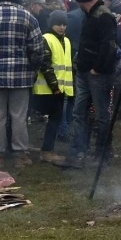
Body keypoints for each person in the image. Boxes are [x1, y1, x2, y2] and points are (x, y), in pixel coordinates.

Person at [0, 0, 45, 166]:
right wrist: (33, 68)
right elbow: (38, 48)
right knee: (18, 116)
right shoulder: (28, 17)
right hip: (21, 75)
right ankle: (20, 155)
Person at [71, 0, 119, 163]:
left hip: (98, 74)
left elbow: (109, 46)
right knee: (79, 112)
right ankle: (80, 149)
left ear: (80, 0)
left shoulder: (103, 16)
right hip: (84, 71)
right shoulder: (91, 14)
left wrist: (97, 68)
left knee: (101, 115)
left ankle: (102, 152)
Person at [32, 11, 73, 164]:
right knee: (55, 119)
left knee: (56, 119)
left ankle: (47, 149)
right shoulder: (46, 39)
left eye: (64, 24)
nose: (62, 27)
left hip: (60, 89)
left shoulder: (66, 41)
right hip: (46, 90)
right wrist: (55, 86)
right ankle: (46, 150)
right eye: (58, 24)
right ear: (52, 25)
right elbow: (45, 65)